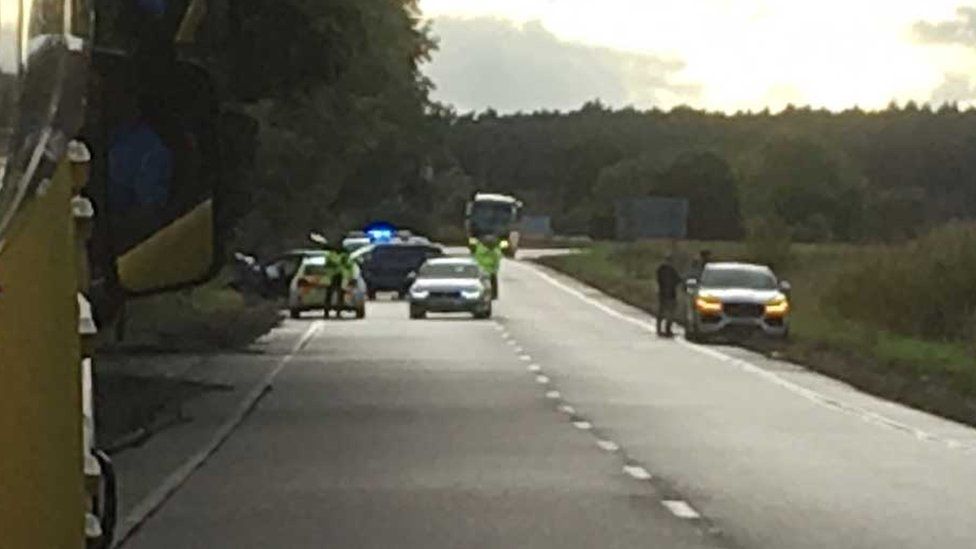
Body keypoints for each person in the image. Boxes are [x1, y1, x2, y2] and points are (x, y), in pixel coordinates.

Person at [471, 235, 504, 299]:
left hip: (484, 269)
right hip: (486, 269)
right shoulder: (493, 250)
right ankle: (492, 295)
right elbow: (498, 257)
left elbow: (498, 258)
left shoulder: (480, 247)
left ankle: (491, 295)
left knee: (486, 283)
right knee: (487, 283)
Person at [656, 254, 681, 337]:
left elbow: (659, 280)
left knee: (662, 312)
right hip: (670, 294)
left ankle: (660, 330)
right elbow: (678, 280)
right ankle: (667, 330)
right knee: (670, 313)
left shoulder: (660, 269)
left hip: (663, 293)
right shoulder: (672, 270)